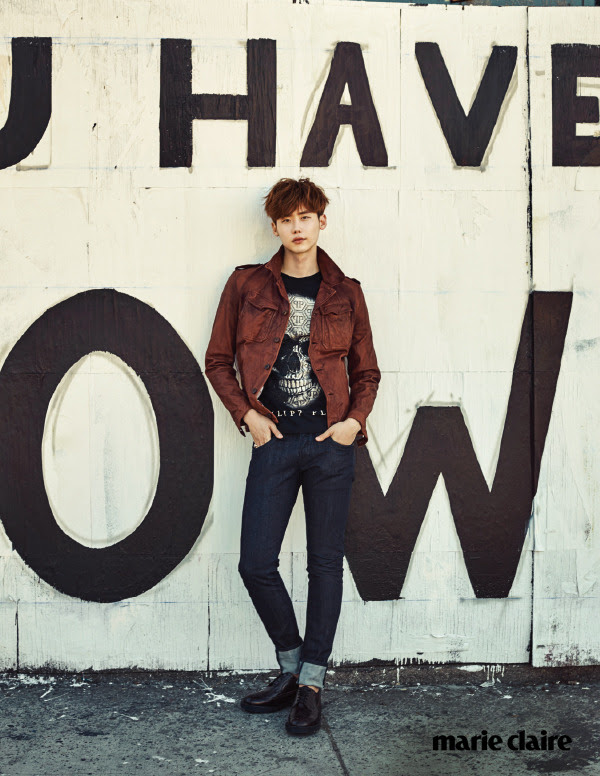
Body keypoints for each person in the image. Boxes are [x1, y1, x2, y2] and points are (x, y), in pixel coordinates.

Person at [204, 177, 380, 735]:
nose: (298, 227)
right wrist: (248, 416)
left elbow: (367, 372)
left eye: (307, 216)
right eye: (287, 219)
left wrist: (354, 423)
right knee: (256, 564)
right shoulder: (247, 285)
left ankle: (312, 685)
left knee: (325, 564)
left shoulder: (346, 292)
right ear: (276, 227)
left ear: (321, 222)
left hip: (331, 445)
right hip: (275, 443)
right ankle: (292, 666)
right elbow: (217, 360)